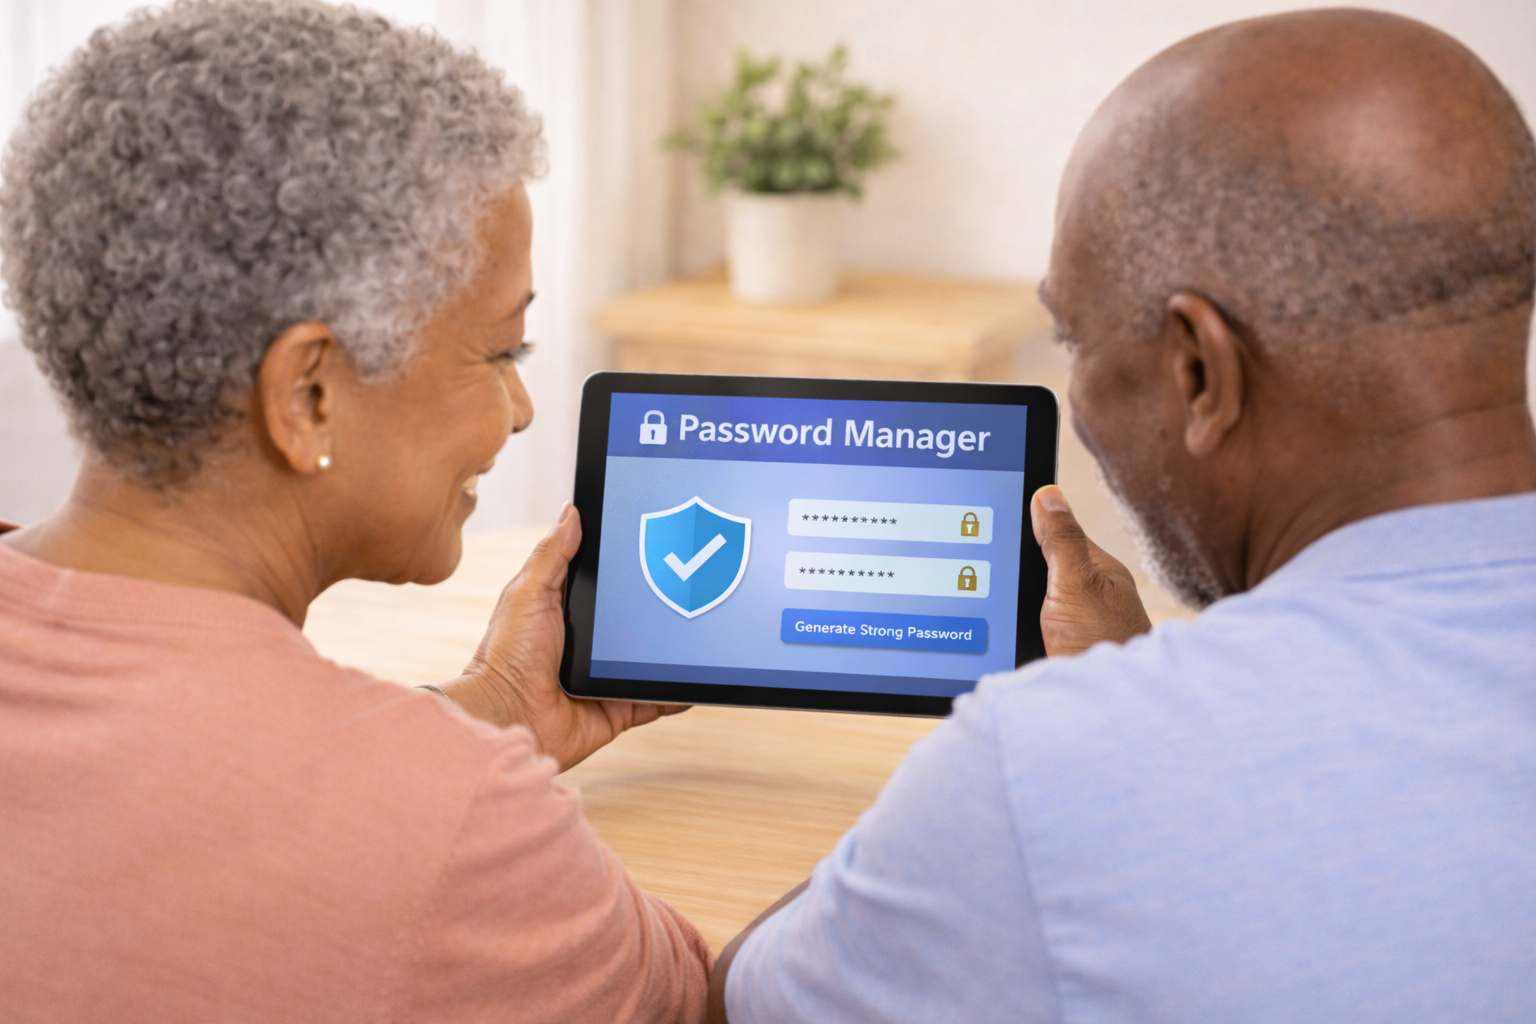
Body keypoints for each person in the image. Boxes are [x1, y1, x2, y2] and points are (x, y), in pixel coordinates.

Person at [710, 9, 1536, 1023]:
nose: (1078, 392)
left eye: (1073, 337)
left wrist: (1075, 738)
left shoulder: (1046, 773)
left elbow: (743, 999)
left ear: (1200, 370)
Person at [0, 2, 711, 1021]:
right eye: (501, 351)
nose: (522, 411)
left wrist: (495, 705)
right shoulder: (455, 835)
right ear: (310, 396)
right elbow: (719, 1000)